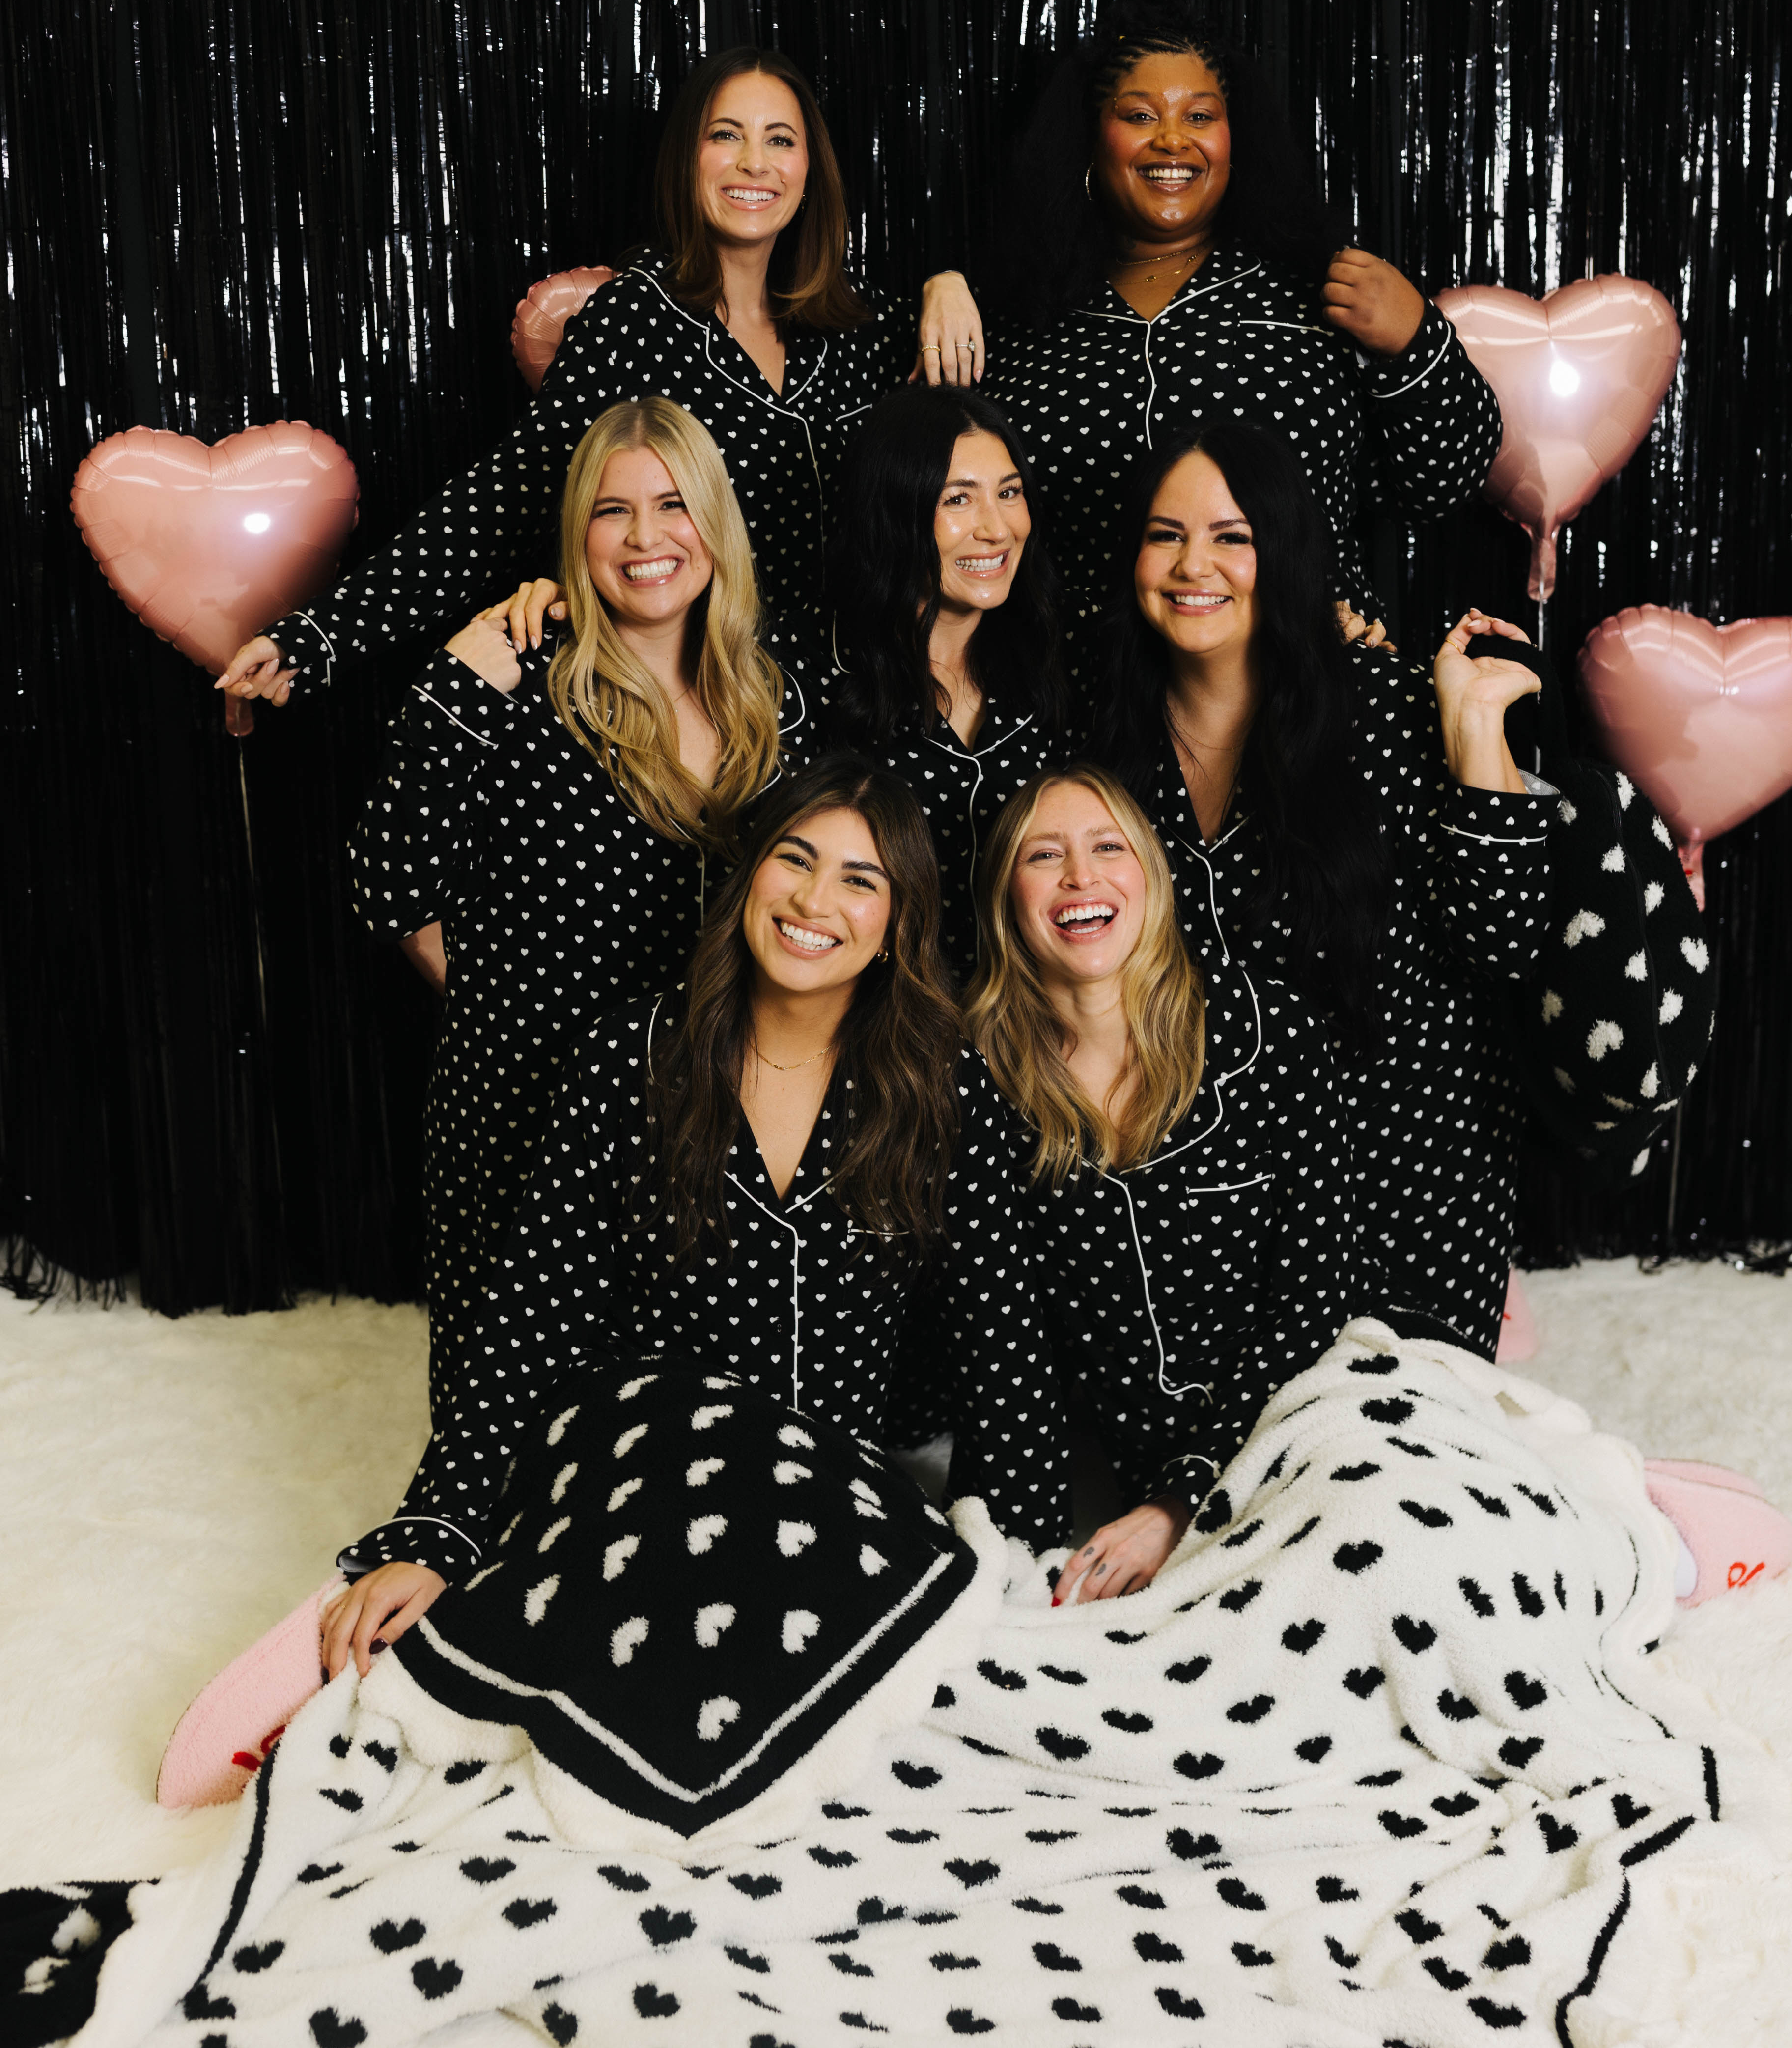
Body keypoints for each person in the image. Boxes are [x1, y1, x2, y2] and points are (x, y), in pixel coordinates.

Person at [322, 760, 1072, 1812]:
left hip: (822, 1495)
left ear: (899, 921)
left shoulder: (942, 1086)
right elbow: (531, 1315)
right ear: (748, 876)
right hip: (641, 1463)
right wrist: (436, 1532)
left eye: (860, 880)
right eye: (794, 860)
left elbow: (1004, 1344)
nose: (815, 900)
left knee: (865, 1665)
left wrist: (1023, 1562)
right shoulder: (628, 1055)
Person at [1094, 415, 1703, 1357]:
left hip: (1408, 1171)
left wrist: (1472, 729)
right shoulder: (1104, 743)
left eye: (1231, 536)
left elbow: (1501, 938)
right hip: (1208, 1179)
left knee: (1384, 1430)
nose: (1191, 565)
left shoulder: (1380, 708)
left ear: (1286, 552)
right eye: (1164, 535)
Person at [216, 48, 984, 706]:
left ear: (810, 170)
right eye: (726, 135)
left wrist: (946, 281)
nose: (755, 162)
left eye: (779, 140)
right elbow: (506, 495)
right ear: (687, 160)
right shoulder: (635, 318)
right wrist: (317, 637)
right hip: (710, 702)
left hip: (864, 698)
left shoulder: (859, 326)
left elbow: (997, 443)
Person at [349, 398, 813, 1430]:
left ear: (716, 521)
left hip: (717, 1116)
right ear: (577, 534)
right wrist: (497, 1008)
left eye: (673, 504)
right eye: (613, 511)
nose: (646, 538)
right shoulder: (517, 683)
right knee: (523, 1441)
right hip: (530, 1107)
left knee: (691, 1442)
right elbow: (388, 888)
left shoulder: (780, 697)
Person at [957, 2, 1502, 623]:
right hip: (1080, 674)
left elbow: (1442, 485)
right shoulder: (1022, 317)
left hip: (1302, 665)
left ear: (1236, 140)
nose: (1172, 138)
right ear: (1090, 139)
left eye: (1199, 116)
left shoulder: (1319, 296)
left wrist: (1417, 341)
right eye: (1140, 116)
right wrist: (942, 290)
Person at [967, 765, 1353, 1606]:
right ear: (1005, 898)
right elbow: (1005, 1341)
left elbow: (1313, 1304)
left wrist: (1182, 1500)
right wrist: (1024, 1572)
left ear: (1152, 876)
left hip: (1317, 1419)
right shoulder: (979, 1082)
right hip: (1141, 1472)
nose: (1080, 875)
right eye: (1043, 855)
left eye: (1108, 847)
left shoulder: (1268, 1034)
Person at [817, 385, 1071, 977]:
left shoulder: (1058, 655)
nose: (997, 528)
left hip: (1031, 1011)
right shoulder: (815, 676)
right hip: (878, 1012)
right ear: (896, 510)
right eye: (958, 499)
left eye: (1009, 493)